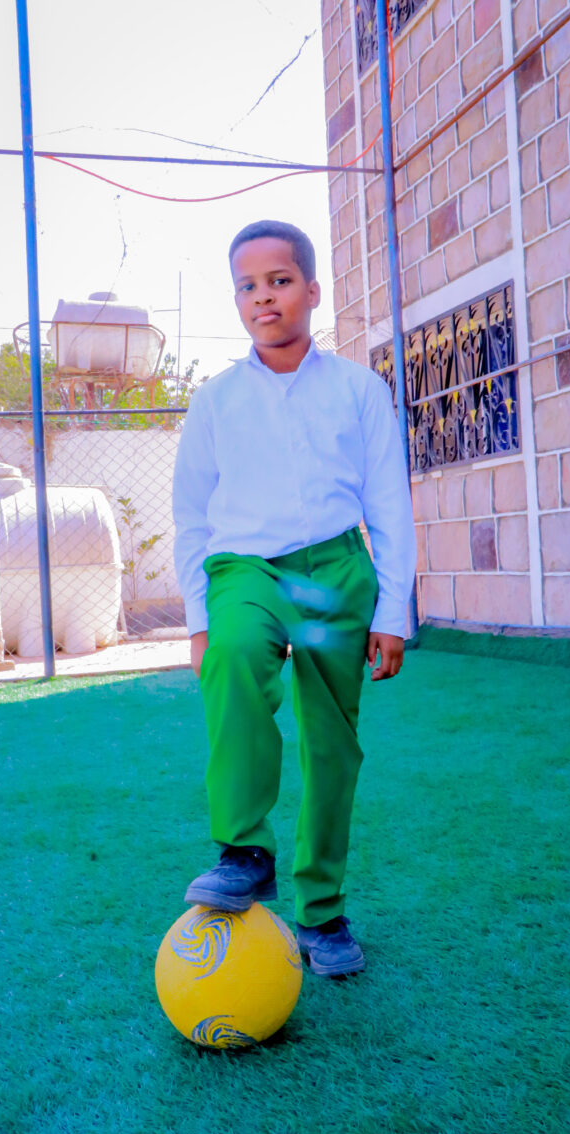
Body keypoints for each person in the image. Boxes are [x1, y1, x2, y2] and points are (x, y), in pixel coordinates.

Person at [172, 220, 416, 977]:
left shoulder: (359, 390)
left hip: (334, 574)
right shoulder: (215, 402)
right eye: (247, 286)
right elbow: (190, 514)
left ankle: (322, 913)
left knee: (331, 742)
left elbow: (389, 503)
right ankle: (244, 850)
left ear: (311, 290)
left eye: (279, 281)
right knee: (235, 654)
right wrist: (199, 619)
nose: (263, 297)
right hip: (247, 571)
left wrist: (393, 612)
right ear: (236, 300)